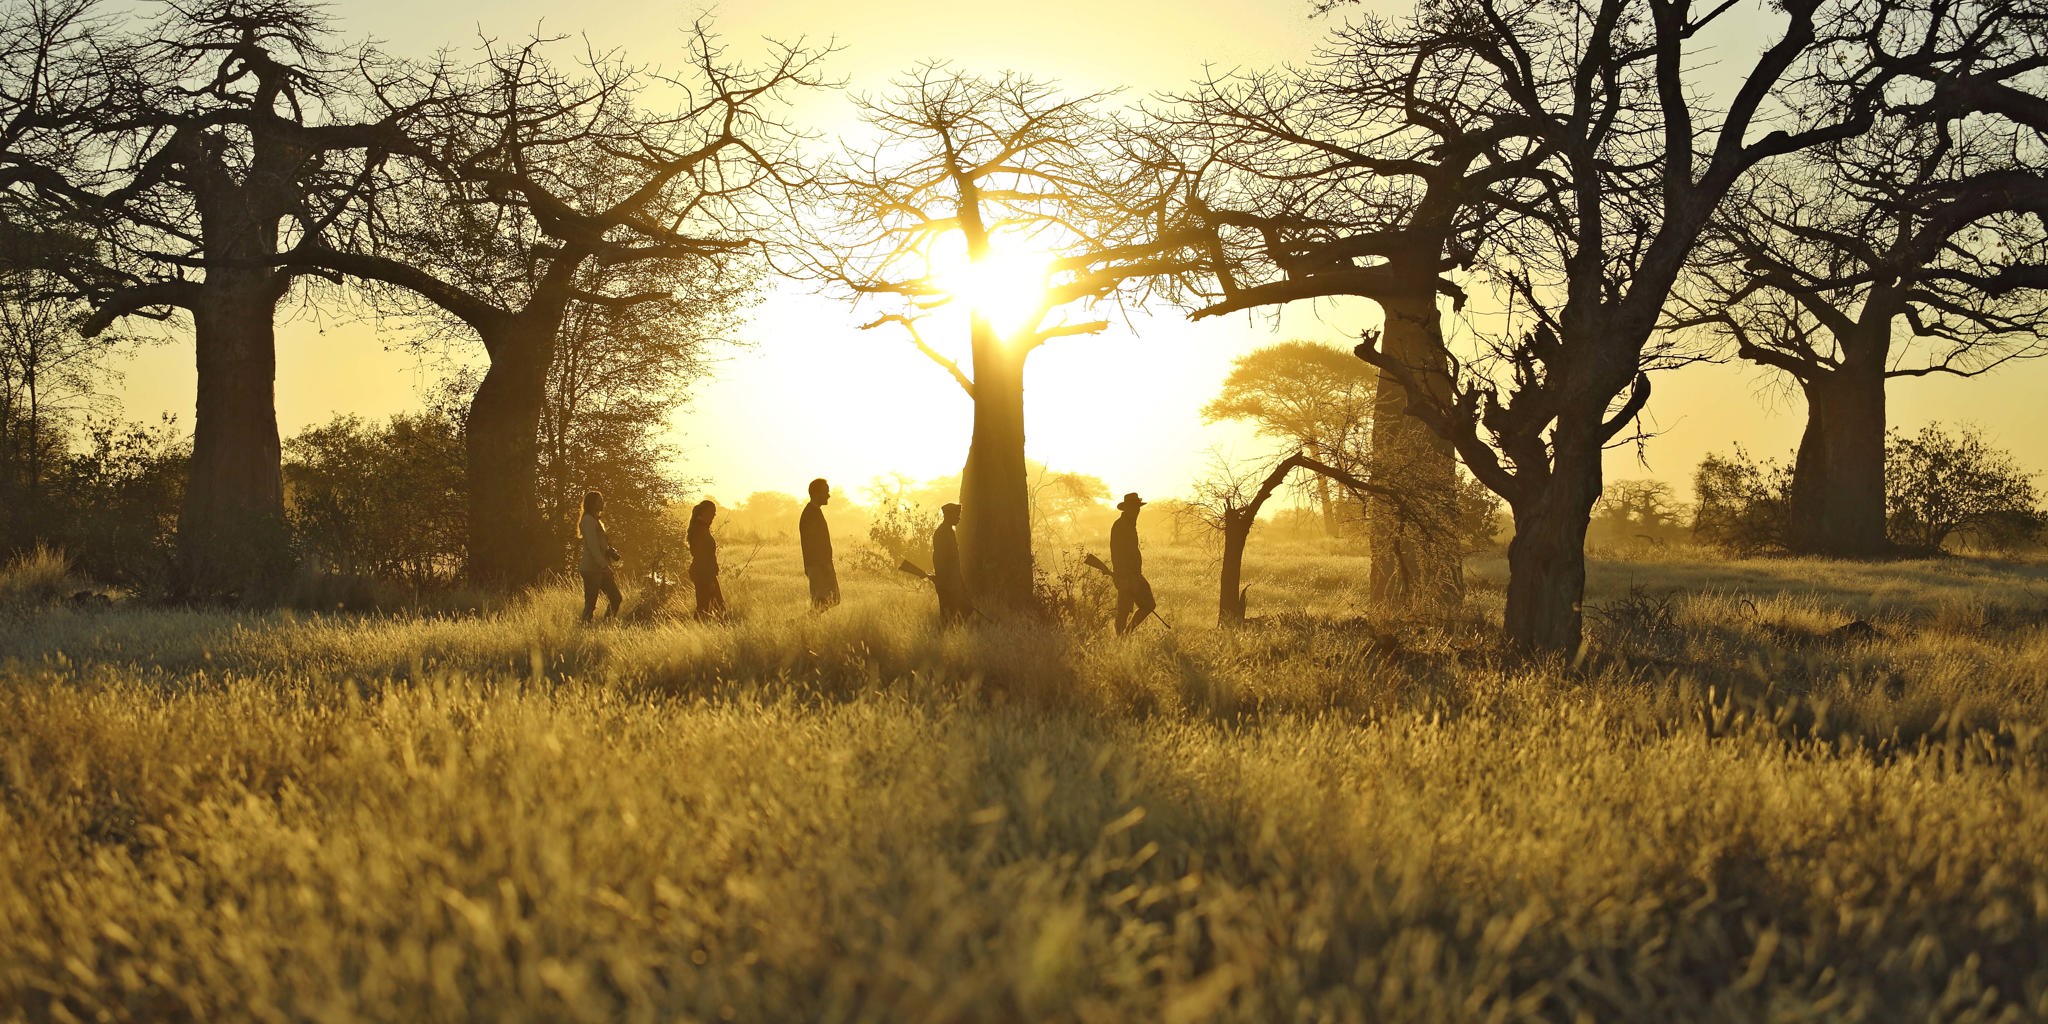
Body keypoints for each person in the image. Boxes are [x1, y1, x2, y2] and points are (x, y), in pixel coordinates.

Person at [1110, 491, 1157, 634]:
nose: (1138, 510)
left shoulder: (1129, 524)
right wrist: (1123, 576)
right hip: (1126, 575)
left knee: (1149, 605)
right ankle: (1121, 640)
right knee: (1124, 611)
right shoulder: (1120, 526)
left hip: (1134, 575)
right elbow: (1117, 553)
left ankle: (1127, 634)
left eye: (1138, 507)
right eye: (1135, 507)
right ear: (1128, 508)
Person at [578, 490, 622, 622]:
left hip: (600, 568)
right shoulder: (587, 521)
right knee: (590, 604)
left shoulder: (595, 520)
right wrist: (604, 565)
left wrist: (609, 551)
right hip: (592, 568)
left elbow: (599, 545)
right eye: (599, 501)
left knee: (616, 598)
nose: (603, 503)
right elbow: (592, 547)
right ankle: (583, 629)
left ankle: (606, 624)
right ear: (592, 504)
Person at [800, 477, 840, 611]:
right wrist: (823, 566)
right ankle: (802, 623)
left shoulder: (814, 511)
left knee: (829, 600)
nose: (829, 495)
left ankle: (807, 623)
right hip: (819, 566)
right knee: (824, 601)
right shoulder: (810, 514)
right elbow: (812, 545)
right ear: (816, 494)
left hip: (820, 565)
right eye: (826, 492)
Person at [687, 499, 726, 621]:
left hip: (704, 572)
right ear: (705, 512)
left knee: (706, 607)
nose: (715, 515)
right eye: (713, 512)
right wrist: (709, 579)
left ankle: (699, 632)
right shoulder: (699, 530)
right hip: (704, 573)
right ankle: (695, 635)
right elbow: (701, 556)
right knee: (714, 608)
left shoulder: (701, 527)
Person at [932, 501, 969, 625]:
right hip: (947, 581)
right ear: (948, 516)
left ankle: (952, 634)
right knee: (948, 613)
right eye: (956, 515)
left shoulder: (949, 532)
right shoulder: (941, 533)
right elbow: (939, 559)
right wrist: (943, 580)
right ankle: (945, 636)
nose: (959, 518)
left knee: (963, 609)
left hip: (953, 580)